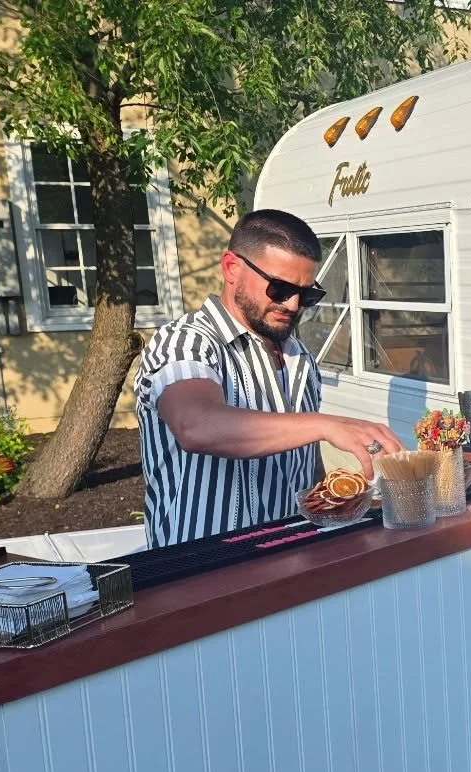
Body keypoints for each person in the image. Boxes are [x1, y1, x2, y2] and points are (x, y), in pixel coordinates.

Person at [134, 209, 402, 548]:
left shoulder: (298, 356)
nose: (292, 305)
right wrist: (324, 424)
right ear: (232, 268)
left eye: (306, 295)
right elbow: (195, 425)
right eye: (279, 288)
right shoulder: (185, 342)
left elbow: (299, 461)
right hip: (201, 571)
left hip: (288, 558)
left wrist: (341, 499)